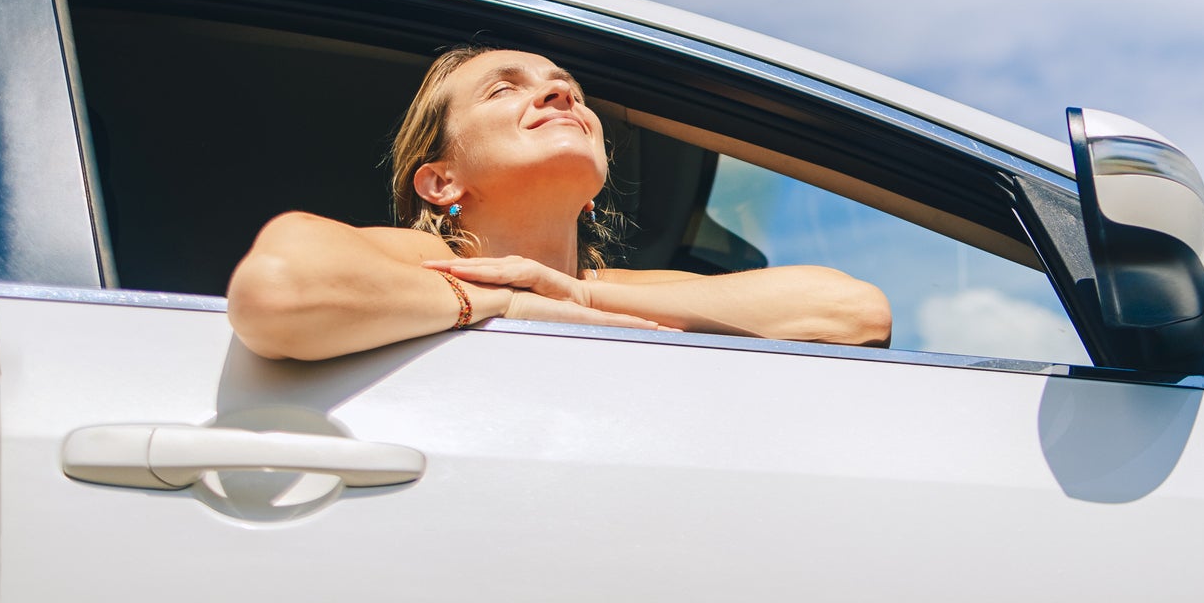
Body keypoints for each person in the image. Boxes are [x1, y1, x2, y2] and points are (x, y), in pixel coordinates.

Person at [227, 43, 892, 361]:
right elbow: (280, 291)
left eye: (567, 88)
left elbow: (853, 312)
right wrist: (513, 304)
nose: (560, 96)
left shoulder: (604, 287)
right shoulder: (421, 257)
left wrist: (575, 298)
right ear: (441, 182)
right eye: (503, 90)